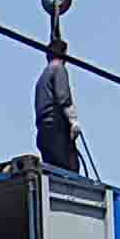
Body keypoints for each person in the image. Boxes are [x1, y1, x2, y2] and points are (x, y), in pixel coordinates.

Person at [34, 38, 81, 173]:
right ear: (64, 54)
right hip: (56, 129)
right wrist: (73, 122)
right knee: (70, 171)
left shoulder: (41, 78)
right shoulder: (58, 68)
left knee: (53, 173)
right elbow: (63, 98)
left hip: (43, 133)